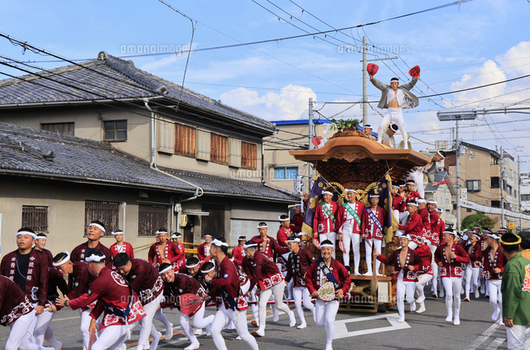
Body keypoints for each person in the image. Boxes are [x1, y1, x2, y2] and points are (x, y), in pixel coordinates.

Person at [56, 250, 146, 350]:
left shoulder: (101, 280)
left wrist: (66, 302)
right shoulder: (110, 273)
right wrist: (93, 320)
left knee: (96, 347)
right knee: (114, 347)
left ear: (89, 265)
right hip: (131, 314)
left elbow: (85, 299)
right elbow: (102, 301)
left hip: (124, 318)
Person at [204, 238, 259, 350]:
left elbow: (226, 281)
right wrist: (209, 295)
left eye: (211, 247)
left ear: (216, 250)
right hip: (225, 305)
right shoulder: (220, 264)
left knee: (243, 334)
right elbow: (221, 286)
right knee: (214, 330)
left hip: (235, 305)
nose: (209, 249)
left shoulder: (227, 264)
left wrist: (210, 281)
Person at [242, 240, 296, 338]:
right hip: (265, 281)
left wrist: (250, 289)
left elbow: (256, 275)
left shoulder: (259, 258)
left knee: (279, 304)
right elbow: (249, 275)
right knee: (262, 304)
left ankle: (290, 313)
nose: (244, 252)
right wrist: (257, 287)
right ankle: (261, 329)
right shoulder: (245, 260)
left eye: (245, 250)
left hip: (276, 279)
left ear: (248, 250)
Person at [113, 253, 167, 350]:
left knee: (146, 319)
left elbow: (130, 292)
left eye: (122, 268)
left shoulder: (140, 269)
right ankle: (156, 335)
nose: (121, 271)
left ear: (129, 263)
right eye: (118, 269)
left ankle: (140, 347)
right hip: (142, 290)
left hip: (154, 291)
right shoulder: (126, 269)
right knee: (142, 320)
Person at [305, 240, 351, 350]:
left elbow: (347, 279)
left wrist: (342, 291)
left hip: (333, 298)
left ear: (332, 250)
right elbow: (307, 278)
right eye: (323, 249)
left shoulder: (338, 265)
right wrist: (312, 291)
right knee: (319, 323)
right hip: (320, 298)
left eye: (328, 249)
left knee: (330, 320)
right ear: (321, 250)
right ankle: (329, 327)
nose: (326, 251)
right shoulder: (316, 263)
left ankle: (329, 344)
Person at [159, 262, 214, 350]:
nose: (166, 276)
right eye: (163, 275)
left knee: (198, 324)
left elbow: (177, 298)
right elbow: (170, 297)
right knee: (183, 322)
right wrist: (169, 303)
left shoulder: (182, 280)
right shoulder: (166, 283)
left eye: (168, 273)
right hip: (186, 300)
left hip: (198, 297)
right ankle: (195, 343)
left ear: (173, 271)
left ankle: (212, 318)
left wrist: (160, 305)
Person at [0, 228, 49, 319]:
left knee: (24, 332)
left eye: (26, 237)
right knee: (19, 331)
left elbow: (44, 282)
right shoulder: (8, 258)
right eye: (19, 237)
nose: (21, 239)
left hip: (31, 301)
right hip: (12, 301)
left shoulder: (41, 258)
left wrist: (42, 304)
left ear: (33, 241)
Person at [53, 251, 95, 350]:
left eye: (60, 267)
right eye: (57, 268)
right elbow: (72, 291)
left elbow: (77, 291)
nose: (59, 270)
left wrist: (58, 305)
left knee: (85, 328)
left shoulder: (82, 269)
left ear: (70, 263)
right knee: (91, 327)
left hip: (93, 300)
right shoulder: (72, 272)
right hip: (84, 301)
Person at [376, 232, 422, 322]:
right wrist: (378, 256)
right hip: (400, 276)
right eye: (401, 240)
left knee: (409, 298)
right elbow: (388, 261)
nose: (402, 241)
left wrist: (414, 267)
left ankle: (412, 301)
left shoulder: (413, 253)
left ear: (408, 242)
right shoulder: (396, 252)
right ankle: (402, 316)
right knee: (400, 297)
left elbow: (420, 264)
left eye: (404, 240)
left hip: (410, 277)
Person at [1, 275, 55, 350]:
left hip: (23, 313)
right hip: (12, 314)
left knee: (10, 347)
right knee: (24, 347)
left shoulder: (1, 284)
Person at [370, 74, 419, 149]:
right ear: (390, 84)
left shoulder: (402, 89)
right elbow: (379, 84)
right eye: (392, 84)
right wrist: (372, 78)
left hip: (398, 113)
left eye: (395, 83)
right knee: (381, 126)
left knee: (402, 128)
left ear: (398, 84)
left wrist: (415, 79)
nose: (393, 85)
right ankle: (379, 140)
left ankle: (405, 145)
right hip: (390, 112)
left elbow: (410, 85)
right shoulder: (387, 89)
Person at [434, 230, 470, 326]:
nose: (443, 237)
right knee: (449, 294)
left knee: (457, 296)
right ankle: (449, 314)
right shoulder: (440, 248)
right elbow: (435, 256)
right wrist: (438, 262)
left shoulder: (458, 247)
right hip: (445, 273)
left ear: (451, 237)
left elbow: (467, 258)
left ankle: (457, 315)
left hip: (457, 273)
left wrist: (456, 257)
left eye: (445, 236)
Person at [501, 231, 530, 349]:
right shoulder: (526, 261)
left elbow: (513, 290)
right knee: (527, 346)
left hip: (518, 313)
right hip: (528, 309)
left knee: (515, 347)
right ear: (518, 246)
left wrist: (509, 314)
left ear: (502, 249)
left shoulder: (512, 264)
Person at [285, 236, 316, 329]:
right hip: (296, 283)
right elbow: (290, 270)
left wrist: (310, 273)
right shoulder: (290, 256)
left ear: (296, 243)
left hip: (307, 283)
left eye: (290, 244)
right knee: (297, 303)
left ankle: (314, 310)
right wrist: (286, 281)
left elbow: (315, 265)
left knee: (307, 304)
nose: (289, 246)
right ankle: (303, 322)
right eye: (288, 244)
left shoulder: (306, 253)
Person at [335, 188, 366, 274]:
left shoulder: (361, 206)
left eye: (351, 194)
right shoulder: (343, 206)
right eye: (348, 194)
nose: (349, 195)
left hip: (356, 229)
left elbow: (363, 219)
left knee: (356, 249)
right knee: (346, 249)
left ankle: (356, 270)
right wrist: (339, 232)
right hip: (345, 229)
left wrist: (363, 231)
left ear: (355, 195)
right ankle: (346, 269)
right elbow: (339, 219)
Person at [483, 232, 507, 324]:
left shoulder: (502, 251)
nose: (486, 240)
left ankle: (501, 318)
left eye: (488, 239)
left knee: (501, 299)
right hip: (491, 278)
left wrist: (501, 269)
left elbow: (508, 264)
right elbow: (485, 261)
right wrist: (485, 270)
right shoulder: (486, 251)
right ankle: (496, 309)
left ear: (493, 240)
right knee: (492, 300)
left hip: (501, 278)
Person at [364, 194, 386, 276]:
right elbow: (363, 221)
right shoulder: (366, 210)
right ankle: (369, 270)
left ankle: (376, 270)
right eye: (372, 199)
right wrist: (362, 232)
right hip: (368, 233)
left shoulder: (382, 210)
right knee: (368, 252)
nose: (374, 200)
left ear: (378, 200)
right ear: (370, 200)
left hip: (378, 233)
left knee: (378, 252)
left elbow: (385, 221)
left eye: (376, 199)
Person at [313, 190, 339, 255]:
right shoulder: (319, 205)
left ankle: (332, 264)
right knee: (323, 247)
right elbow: (316, 218)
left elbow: (338, 217)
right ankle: (323, 263)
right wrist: (315, 230)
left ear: (331, 196)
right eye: (324, 195)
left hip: (332, 229)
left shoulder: (336, 204)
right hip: (322, 229)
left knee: (332, 247)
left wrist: (339, 230)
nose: (325, 197)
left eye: (326, 195)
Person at [414, 237, 433, 314]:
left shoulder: (426, 247)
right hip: (420, 272)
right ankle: (422, 307)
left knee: (417, 283)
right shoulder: (417, 247)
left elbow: (415, 252)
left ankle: (422, 296)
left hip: (428, 272)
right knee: (417, 289)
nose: (418, 243)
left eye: (419, 242)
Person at [464, 231, 483, 301]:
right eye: (471, 236)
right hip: (468, 264)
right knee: (467, 280)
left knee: (475, 282)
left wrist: (467, 255)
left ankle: (476, 290)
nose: (471, 237)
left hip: (475, 265)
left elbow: (476, 256)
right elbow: (463, 252)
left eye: (473, 236)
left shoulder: (478, 247)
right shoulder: (468, 246)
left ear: (477, 239)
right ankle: (467, 296)